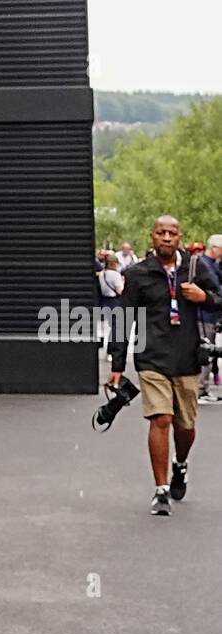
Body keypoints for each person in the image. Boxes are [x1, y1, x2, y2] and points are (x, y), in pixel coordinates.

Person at [109, 215, 222, 515]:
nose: (167, 238)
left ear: (180, 237)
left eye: (172, 233)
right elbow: (123, 318)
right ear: (153, 236)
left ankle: (180, 464)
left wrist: (204, 296)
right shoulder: (137, 274)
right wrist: (117, 365)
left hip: (187, 358)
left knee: (185, 427)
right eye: (162, 233)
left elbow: (219, 299)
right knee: (160, 419)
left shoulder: (196, 269)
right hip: (152, 358)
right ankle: (160, 490)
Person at [197, 235, 222, 400]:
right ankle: (200, 388)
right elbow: (215, 289)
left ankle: (203, 387)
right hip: (204, 315)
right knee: (206, 351)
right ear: (214, 248)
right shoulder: (205, 265)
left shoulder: (212, 265)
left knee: (209, 351)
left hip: (210, 315)